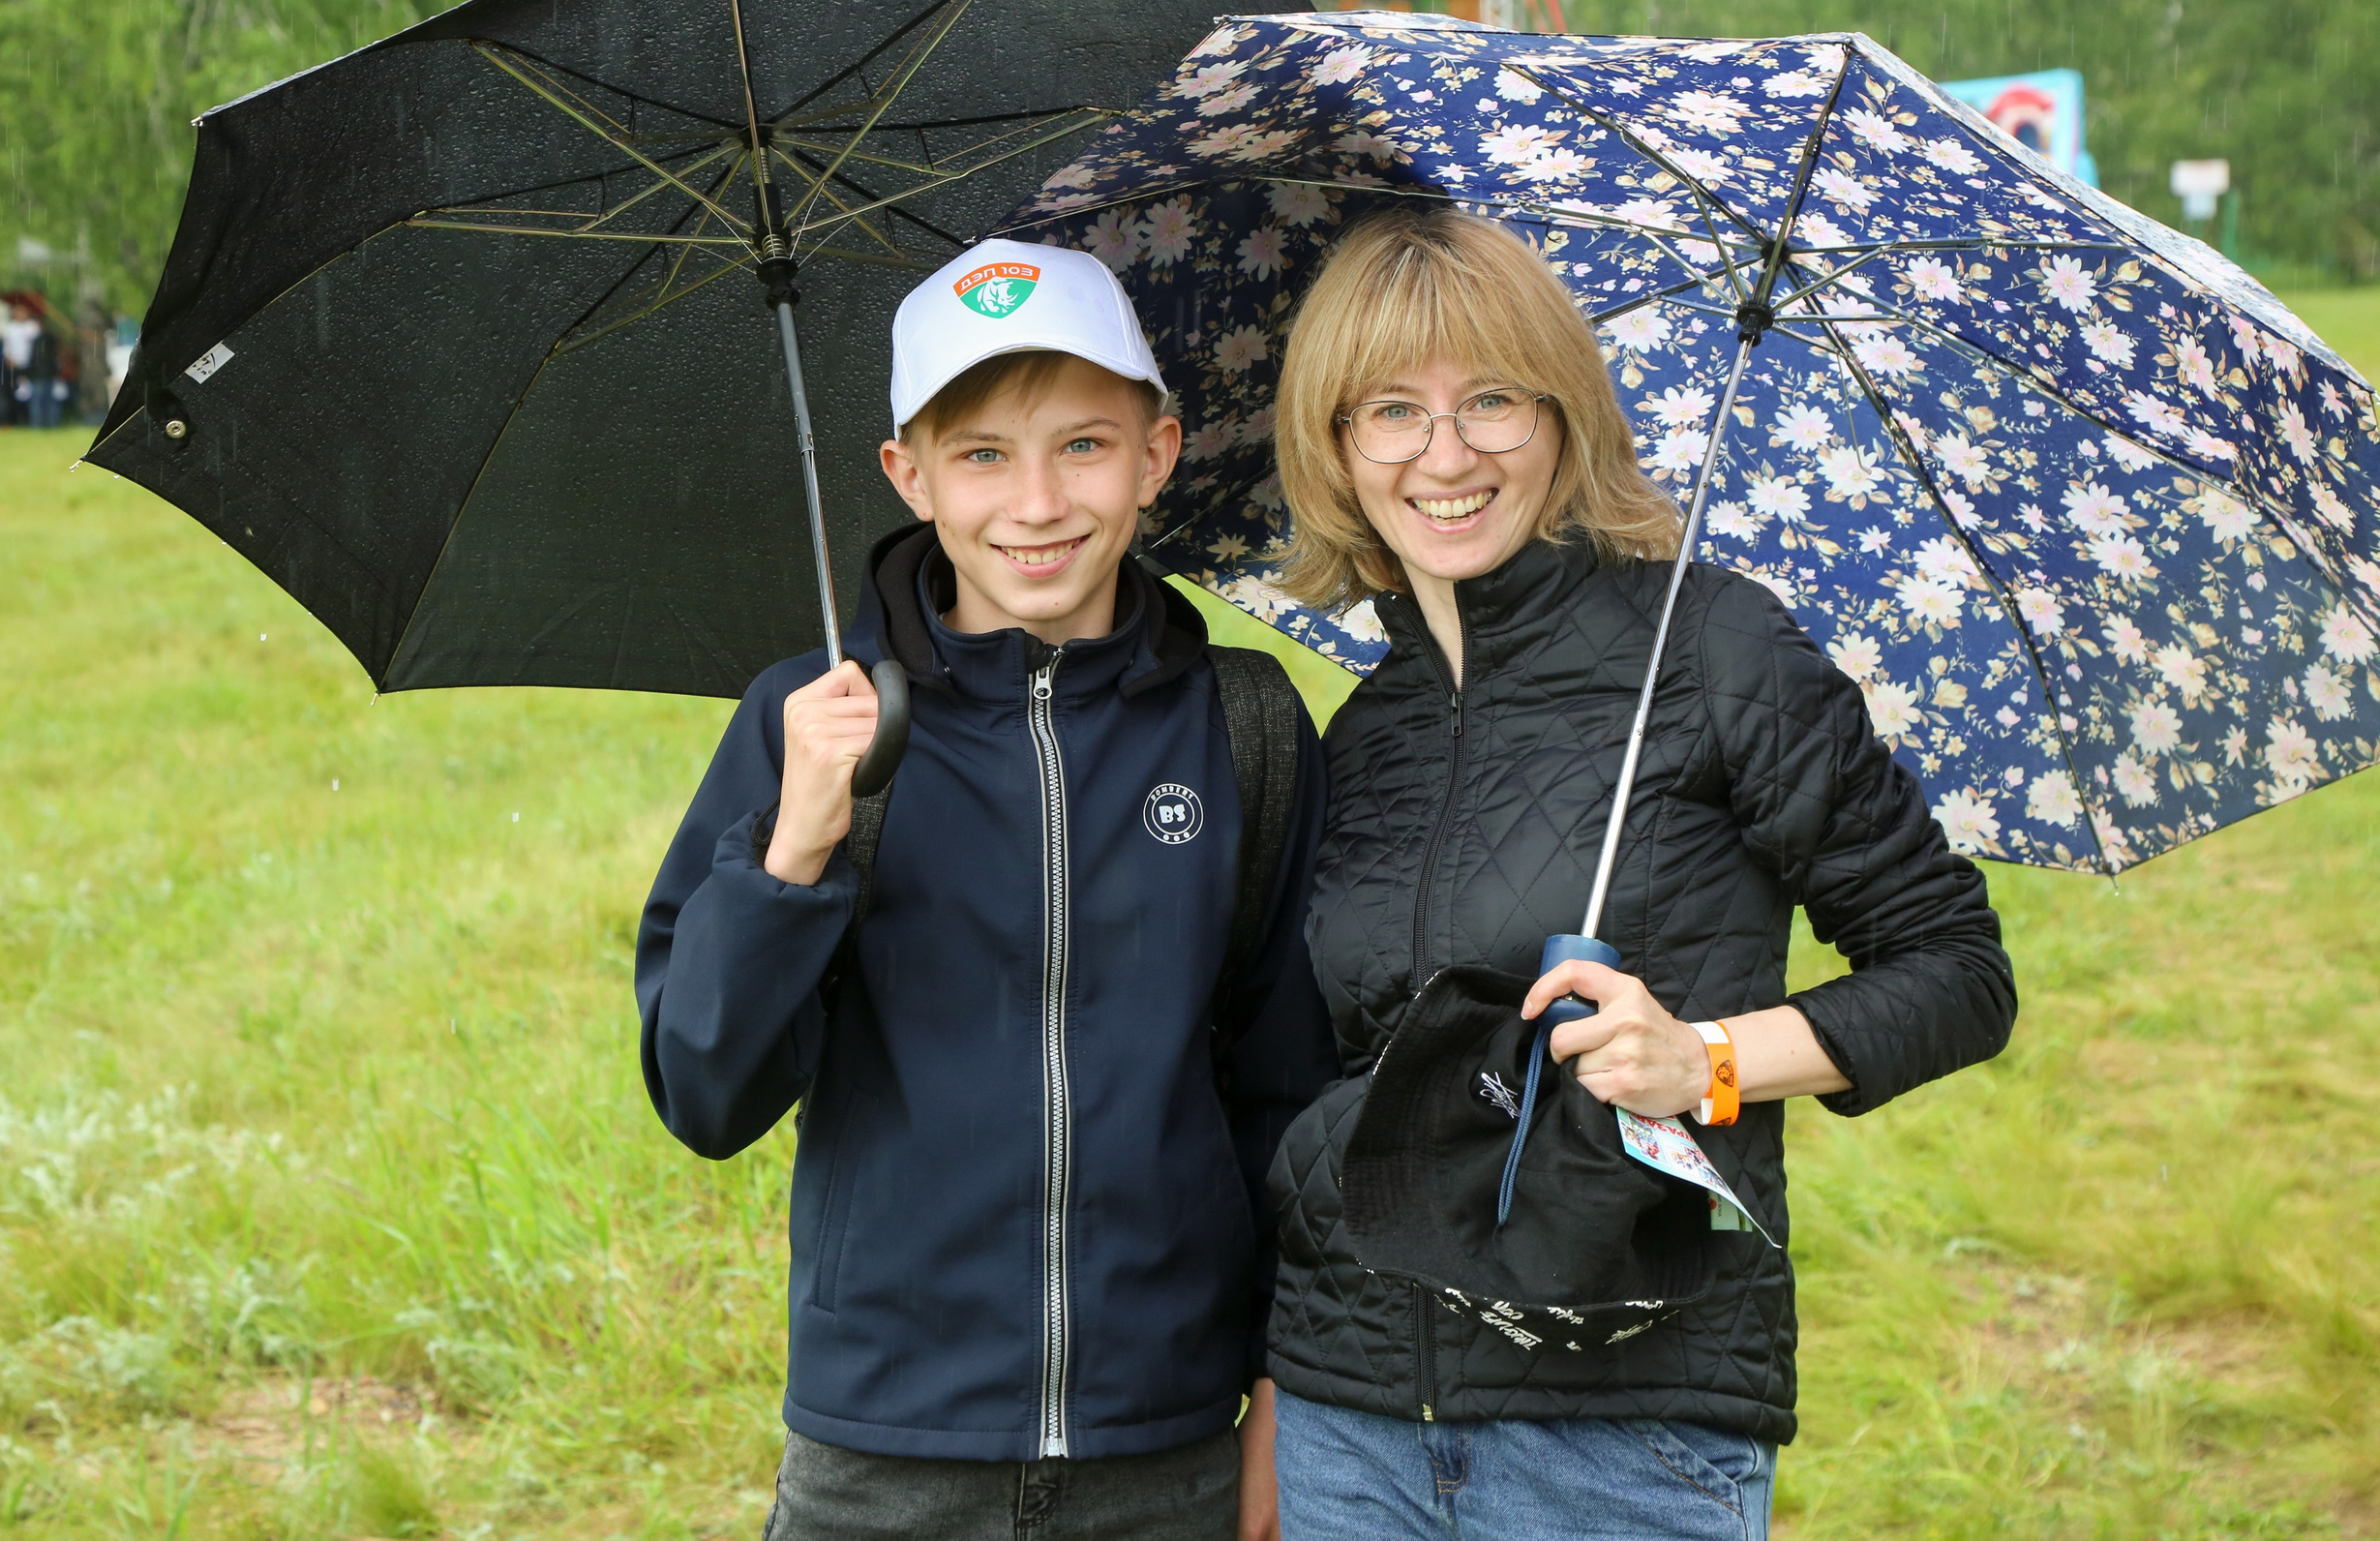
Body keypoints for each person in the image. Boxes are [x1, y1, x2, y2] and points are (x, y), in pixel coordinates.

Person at [1259, 209, 2015, 1539]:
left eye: (1491, 399)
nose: (1446, 455)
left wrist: (1704, 1063)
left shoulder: (1716, 651)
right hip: (1351, 1421)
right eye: (1390, 411)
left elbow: (1958, 974)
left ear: (1561, 415)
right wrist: (1279, 1383)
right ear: (1335, 446)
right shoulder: (1361, 731)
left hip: (1621, 1432)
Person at [636, 238, 1337, 1541]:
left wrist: (1281, 1394)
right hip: (885, 1456)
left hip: (1169, 1448)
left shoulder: (1242, 726)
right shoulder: (809, 723)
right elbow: (705, 1091)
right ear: (908, 475)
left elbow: (1293, 1098)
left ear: (1158, 452)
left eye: (1083, 445)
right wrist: (791, 857)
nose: (1035, 503)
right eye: (981, 456)